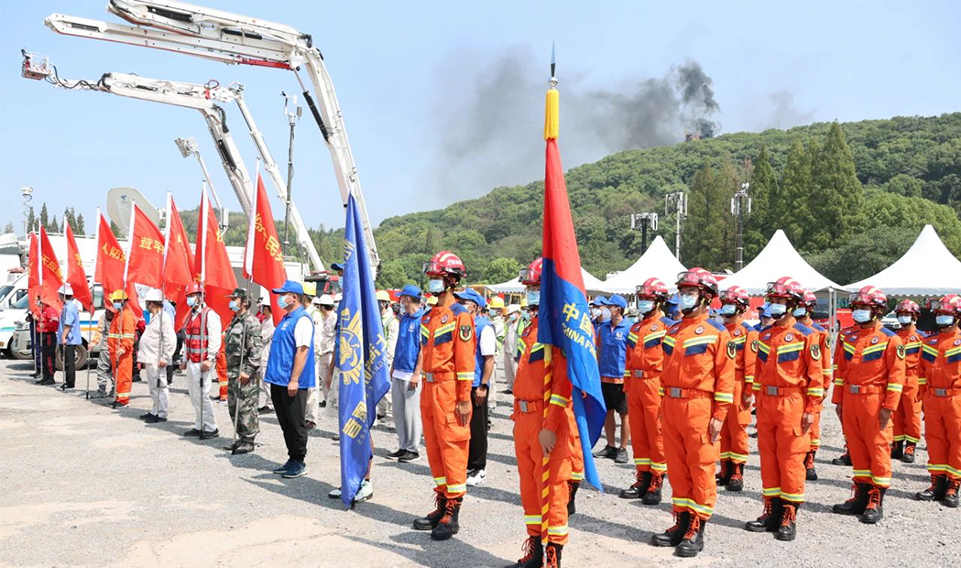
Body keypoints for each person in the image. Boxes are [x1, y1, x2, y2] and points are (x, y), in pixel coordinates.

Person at [651, 268, 734, 558]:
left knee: (700, 468)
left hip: (700, 407)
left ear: (706, 298)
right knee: (677, 467)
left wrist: (720, 414)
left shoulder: (717, 333)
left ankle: (697, 528)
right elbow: (664, 372)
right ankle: (681, 521)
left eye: (690, 292)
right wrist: (662, 407)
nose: (683, 297)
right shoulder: (672, 330)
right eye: (682, 291)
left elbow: (725, 378)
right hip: (671, 406)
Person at [505, 258, 579, 568]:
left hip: (547, 422)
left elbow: (563, 384)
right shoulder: (533, 327)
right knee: (530, 490)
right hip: (524, 419)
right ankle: (535, 548)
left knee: (552, 492)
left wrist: (549, 425)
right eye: (529, 288)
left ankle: (553, 557)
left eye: (536, 288)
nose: (530, 293)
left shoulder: (558, 330)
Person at [744, 277, 821, 542]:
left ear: (793, 305)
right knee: (768, 457)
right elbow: (757, 372)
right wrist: (756, 400)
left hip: (793, 403)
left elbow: (816, 378)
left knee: (790, 460)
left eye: (779, 301)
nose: (774, 305)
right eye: (772, 300)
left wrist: (811, 408)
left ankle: (789, 514)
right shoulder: (764, 335)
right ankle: (771, 509)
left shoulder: (806, 336)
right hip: (767, 403)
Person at [412, 250, 476, 541]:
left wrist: (464, 399)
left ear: (450, 280)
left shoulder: (460, 316)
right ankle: (441, 502)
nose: (432, 282)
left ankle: (453, 512)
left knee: (452, 449)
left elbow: (465, 363)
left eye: (437, 277)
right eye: (432, 278)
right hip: (429, 388)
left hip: (450, 390)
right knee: (435, 449)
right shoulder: (430, 315)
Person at [831, 286, 905, 524]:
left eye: (864, 308)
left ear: (878, 311)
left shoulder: (890, 339)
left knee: (878, 448)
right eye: (857, 308)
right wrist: (839, 401)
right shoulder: (848, 337)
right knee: (857, 447)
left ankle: (876, 498)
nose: (859, 312)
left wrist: (888, 407)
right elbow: (841, 372)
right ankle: (860, 494)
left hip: (875, 400)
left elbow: (896, 376)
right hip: (851, 400)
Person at [619, 278, 675, 504]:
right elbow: (629, 360)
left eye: (648, 299)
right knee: (639, 433)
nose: (643, 302)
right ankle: (642, 476)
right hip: (636, 384)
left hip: (655, 383)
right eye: (641, 298)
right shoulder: (635, 327)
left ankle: (657, 479)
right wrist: (627, 385)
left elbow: (672, 361)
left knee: (656, 433)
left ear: (659, 301)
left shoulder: (667, 327)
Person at [264, 280, 315, 478]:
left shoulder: (302, 319)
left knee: (296, 423)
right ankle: (291, 457)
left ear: (294, 297)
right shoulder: (286, 319)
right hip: (278, 380)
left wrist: (294, 379)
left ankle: (299, 460)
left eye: (282, 294)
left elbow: (302, 351)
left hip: (292, 381)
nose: (279, 298)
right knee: (285, 422)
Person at [914, 294, 961, 507]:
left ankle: (953, 484)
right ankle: (937, 482)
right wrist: (923, 397)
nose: (942, 318)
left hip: (956, 399)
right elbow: (921, 373)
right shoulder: (929, 342)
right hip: (933, 398)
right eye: (940, 314)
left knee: (957, 441)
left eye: (947, 315)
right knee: (934, 440)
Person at [714, 285, 758, 493]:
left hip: (739, 385)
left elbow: (751, 365)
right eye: (726, 304)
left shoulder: (748, 332)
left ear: (741, 308)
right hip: (720, 385)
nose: (727, 308)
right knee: (721, 429)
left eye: (731, 305)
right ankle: (724, 469)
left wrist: (749, 391)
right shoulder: (719, 331)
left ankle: (737, 472)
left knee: (738, 430)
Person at [456, 288, 494, 487]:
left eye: (465, 302)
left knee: (478, 427)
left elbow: (489, 359)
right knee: (463, 425)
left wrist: (483, 385)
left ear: (476, 307)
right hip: (461, 383)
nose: (461, 304)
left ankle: (479, 467)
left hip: (476, 384)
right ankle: (467, 463)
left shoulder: (483, 327)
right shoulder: (462, 324)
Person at [794, 290, 832, 481]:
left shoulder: (819, 332)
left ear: (809, 309)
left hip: (812, 384)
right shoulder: (789, 331)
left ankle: (810, 460)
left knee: (813, 423)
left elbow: (824, 361)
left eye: (800, 306)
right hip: (793, 388)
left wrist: (825, 385)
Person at [224, 288, 264, 455]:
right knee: (234, 406)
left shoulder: (251, 322)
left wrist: (248, 370)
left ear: (245, 302)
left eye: (235, 298)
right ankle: (240, 436)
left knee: (246, 407)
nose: (232, 301)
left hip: (245, 372)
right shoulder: (236, 320)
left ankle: (248, 439)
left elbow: (255, 350)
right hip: (233, 370)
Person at [593, 294, 632, 464]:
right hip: (604, 377)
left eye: (610, 306)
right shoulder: (603, 328)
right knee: (607, 412)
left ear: (619, 309)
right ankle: (610, 445)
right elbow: (599, 350)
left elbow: (632, 354)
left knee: (624, 414)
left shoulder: (629, 328)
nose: (607, 309)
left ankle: (623, 448)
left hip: (621, 379)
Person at [388, 284, 425, 463]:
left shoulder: (421, 319)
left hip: (411, 373)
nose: (400, 301)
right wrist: (393, 366)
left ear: (408, 299)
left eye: (402, 298)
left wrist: (417, 373)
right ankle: (403, 446)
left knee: (412, 413)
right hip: (399, 370)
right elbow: (399, 345)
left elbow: (422, 350)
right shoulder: (404, 319)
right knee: (398, 412)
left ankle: (413, 449)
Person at [180, 283, 222, 438]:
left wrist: (210, 358)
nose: (189, 299)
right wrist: (184, 357)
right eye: (188, 296)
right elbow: (187, 339)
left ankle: (211, 427)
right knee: (194, 394)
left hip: (203, 362)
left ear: (199, 296)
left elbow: (215, 339)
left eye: (191, 296)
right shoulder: (191, 314)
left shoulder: (209, 314)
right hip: (192, 360)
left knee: (203, 394)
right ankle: (199, 424)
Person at [892, 300, 925, 464]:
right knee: (895, 413)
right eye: (901, 314)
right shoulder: (893, 337)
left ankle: (911, 446)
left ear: (914, 316)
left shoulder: (922, 338)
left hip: (913, 379)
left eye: (907, 314)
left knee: (912, 414)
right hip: (896, 379)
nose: (904, 317)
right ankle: (897, 445)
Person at [137, 289, 176, 423]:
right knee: (153, 387)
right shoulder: (155, 317)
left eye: (147, 303)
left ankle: (161, 413)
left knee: (160, 385)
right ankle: (155, 410)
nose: (146, 306)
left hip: (157, 358)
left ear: (152, 304)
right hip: (150, 357)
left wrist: (165, 357)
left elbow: (170, 339)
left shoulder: (163, 318)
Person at [108, 290, 137, 407]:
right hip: (115, 351)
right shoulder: (118, 315)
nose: (114, 303)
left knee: (123, 375)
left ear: (123, 302)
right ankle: (119, 397)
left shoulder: (126, 315)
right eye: (114, 301)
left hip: (122, 352)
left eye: (116, 301)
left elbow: (129, 334)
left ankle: (124, 399)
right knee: (118, 376)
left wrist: (124, 347)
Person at [303, 282, 323, 429]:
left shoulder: (314, 314)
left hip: (311, 355)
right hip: (303, 354)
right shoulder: (304, 312)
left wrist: (314, 354)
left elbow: (316, 337)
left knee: (312, 387)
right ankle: (304, 414)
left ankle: (311, 418)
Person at [378, 289, 399, 421]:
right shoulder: (377, 318)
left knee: (387, 385)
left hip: (386, 357)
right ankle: (381, 409)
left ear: (385, 303)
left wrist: (388, 357)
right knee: (378, 384)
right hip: (377, 356)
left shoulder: (392, 321)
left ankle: (391, 412)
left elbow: (392, 341)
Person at [57, 284, 82, 391]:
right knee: (67, 360)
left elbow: (68, 324)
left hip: (69, 339)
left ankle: (70, 382)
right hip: (68, 338)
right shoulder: (67, 306)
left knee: (69, 362)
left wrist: (63, 337)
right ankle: (68, 381)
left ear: (63, 295)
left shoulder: (70, 307)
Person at [314, 294, 337, 413]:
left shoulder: (335, 318)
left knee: (331, 377)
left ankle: (332, 399)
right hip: (322, 351)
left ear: (323, 307)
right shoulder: (322, 318)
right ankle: (326, 398)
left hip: (330, 351)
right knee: (323, 377)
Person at [488, 296, 506, 405]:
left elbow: (492, 333)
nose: (491, 310)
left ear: (499, 311)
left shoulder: (499, 323)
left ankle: (491, 403)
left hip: (494, 354)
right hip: (490, 354)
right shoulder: (492, 321)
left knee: (491, 380)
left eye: (493, 308)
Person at [37, 297, 59, 386]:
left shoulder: (50, 310)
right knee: (44, 356)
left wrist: (45, 326)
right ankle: (46, 375)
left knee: (49, 356)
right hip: (43, 335)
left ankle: (50, 376)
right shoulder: (44, 310)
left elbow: (54, 324)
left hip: (49, 334)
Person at [258, 297, 275, 413]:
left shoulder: (272, 322)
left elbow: (263, 337)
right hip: (262, 352)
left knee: (266, 379)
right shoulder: (265, 321)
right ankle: (268, 401)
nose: (262, 310)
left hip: (267, 353)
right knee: (263, 379)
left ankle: (271, 403)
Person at [93, 309, 115, 398]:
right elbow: (99, 331)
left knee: (114, 370)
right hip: (107, 347)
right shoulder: (104, 317)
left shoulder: (119, 317)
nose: (109, 313)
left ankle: (114, 389)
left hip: (115, 348)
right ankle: (103, 389)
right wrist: (94, 342)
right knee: (103, 368)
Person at [502, 304, 521, 394]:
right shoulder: (508, 324)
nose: (510, 316)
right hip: (507, 349)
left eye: (512, 314)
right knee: (508, 370)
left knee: (515, 370)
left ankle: (518, 387)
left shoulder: (520, 323)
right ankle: (510, 387)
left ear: (517, 313)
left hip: (515, 350)